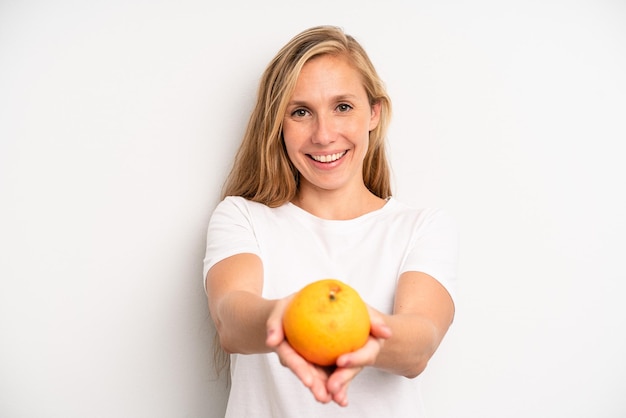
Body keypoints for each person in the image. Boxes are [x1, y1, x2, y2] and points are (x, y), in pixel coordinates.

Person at [203, 25, 458, 417]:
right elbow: (230, 320)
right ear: (278, 124)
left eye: (342, 107)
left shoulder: (420, 227)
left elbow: (420, 342)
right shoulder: (242, 217)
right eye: (301, 112)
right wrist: (285, 318)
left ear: (373, 113)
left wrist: (360, 331)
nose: (324, 135)